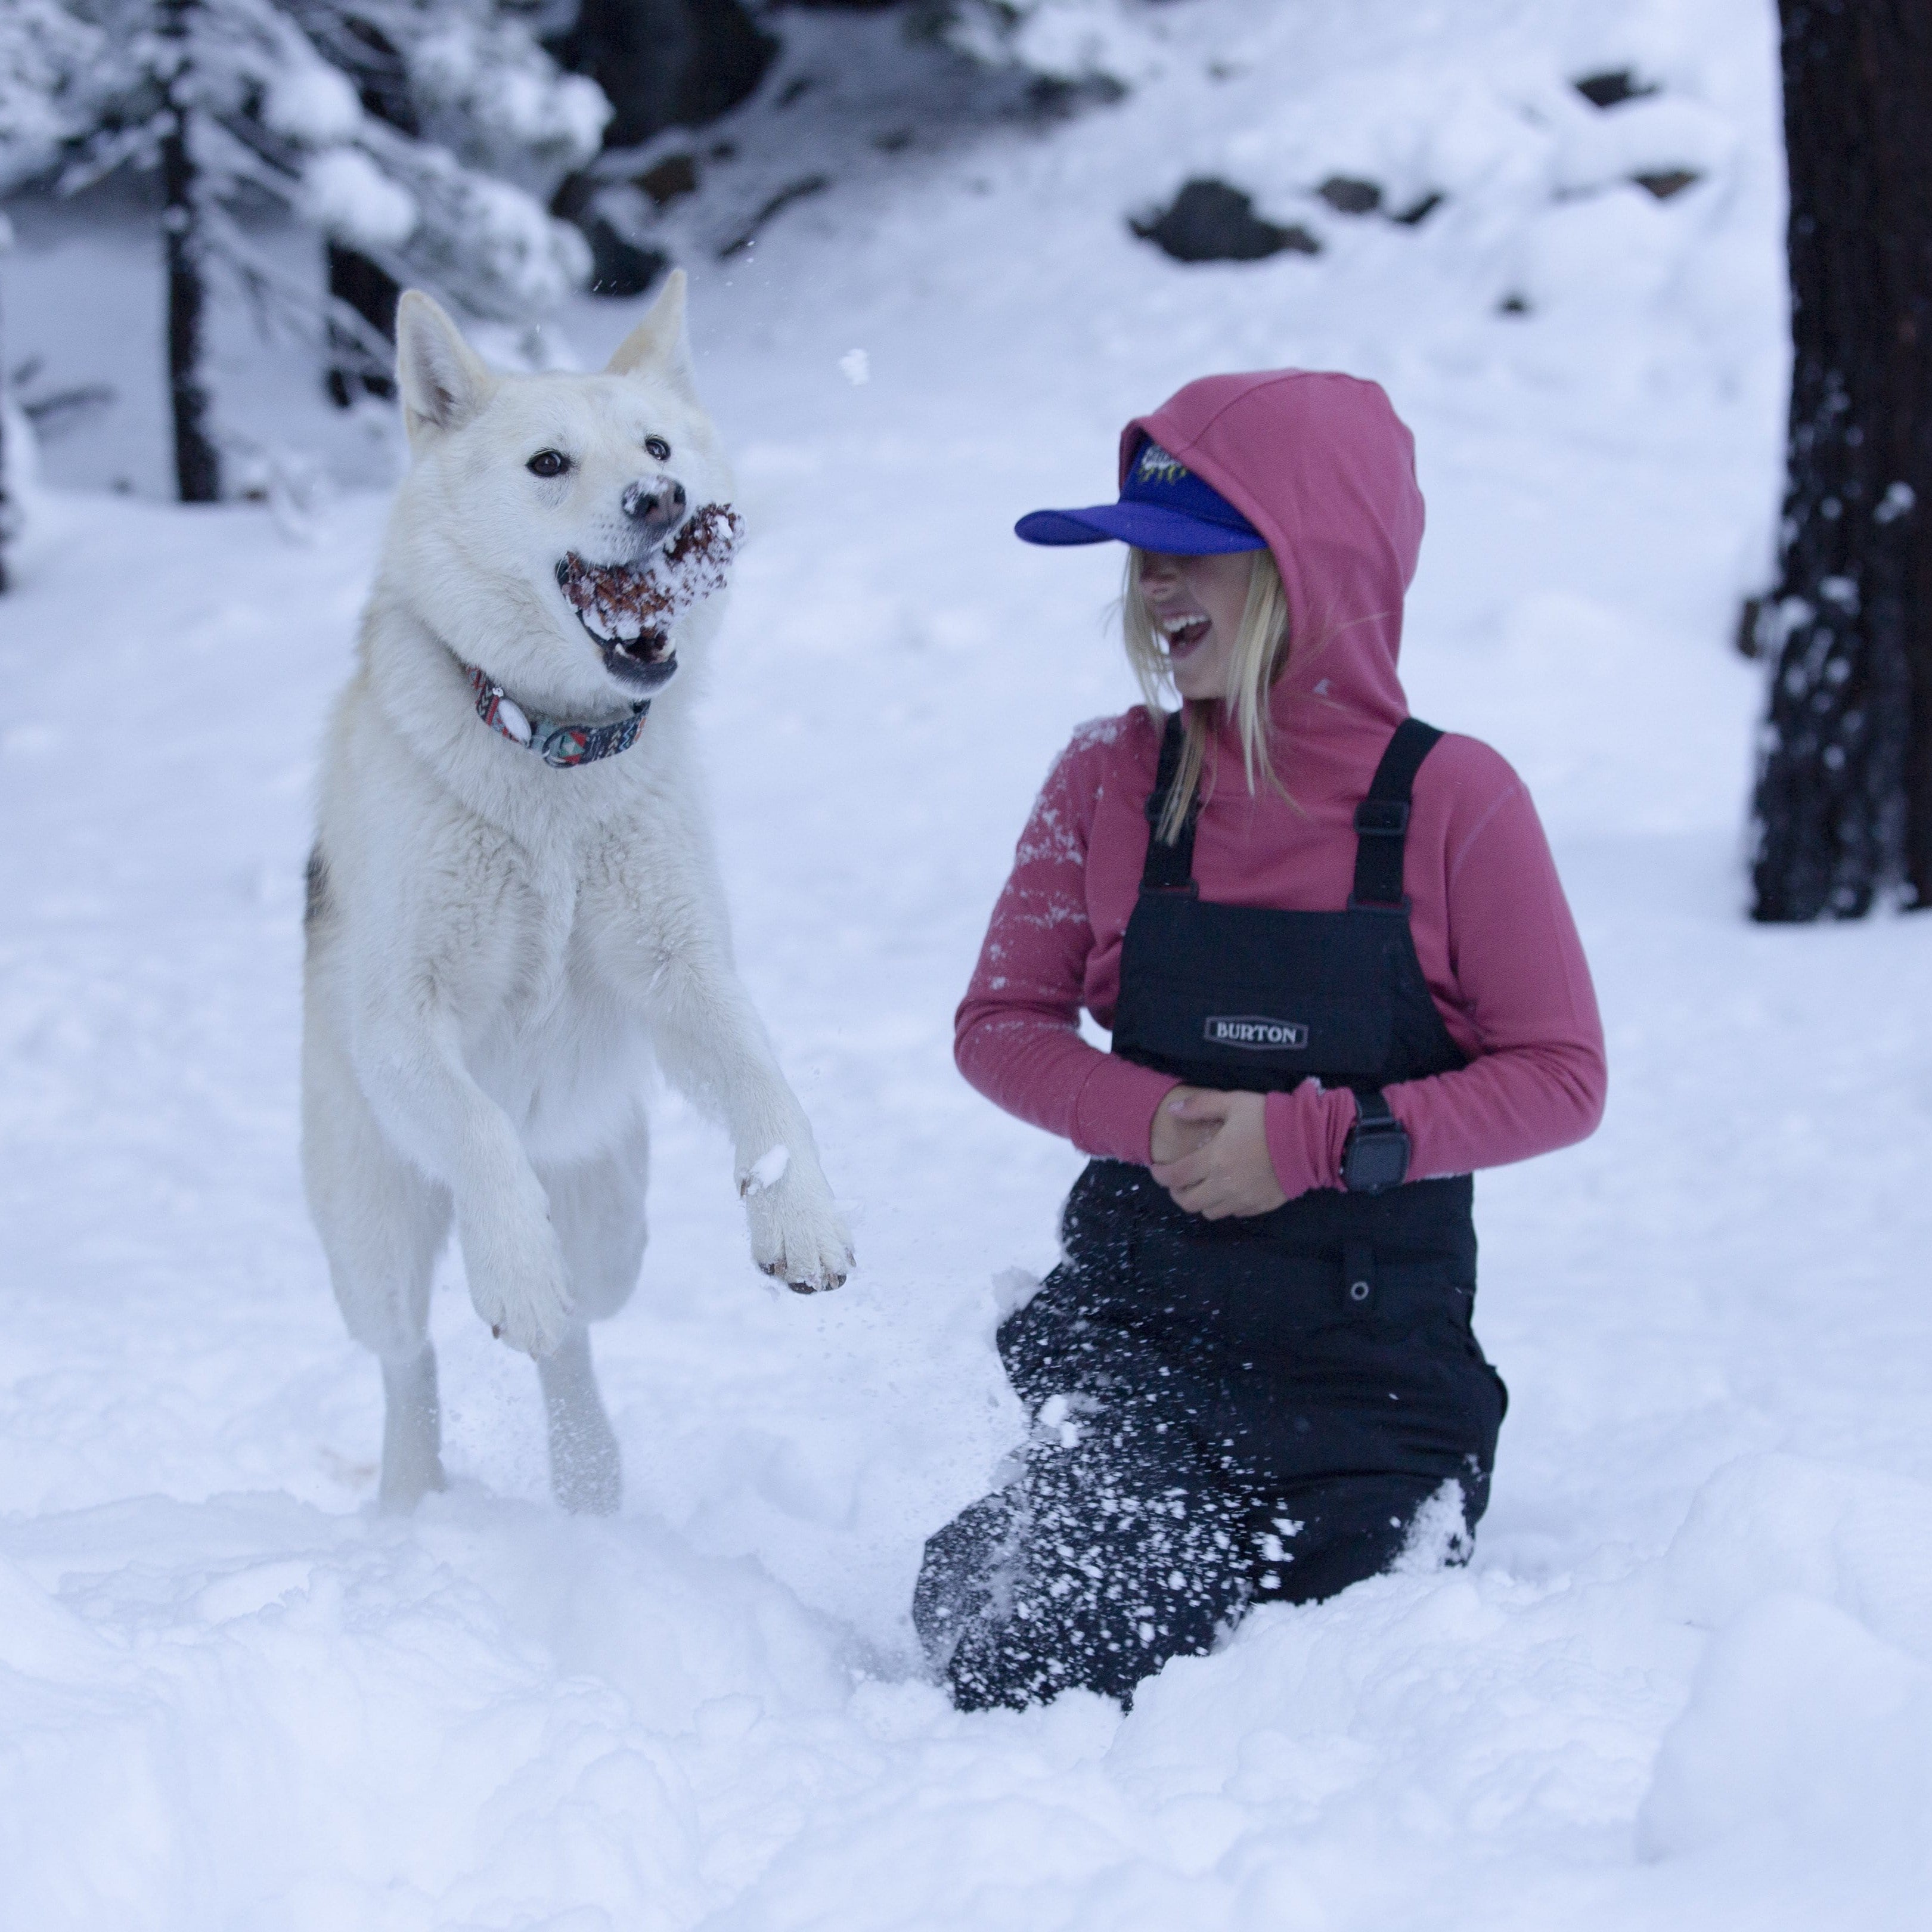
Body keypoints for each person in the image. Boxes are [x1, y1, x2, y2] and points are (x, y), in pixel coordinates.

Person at [912, 371, 1607, 1711]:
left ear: (1315, 562)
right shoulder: (1109, 775)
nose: (1155, 589)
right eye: (1142, 558)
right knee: (1047, 1655)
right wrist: (1148, 1118)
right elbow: (999, 1024)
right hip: (1145, 1350)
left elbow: (1560, 1077)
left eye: (1197, 556)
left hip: (1374, 1389)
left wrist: (1314, 1141)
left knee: (1328, 1681)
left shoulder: (1458, 800)